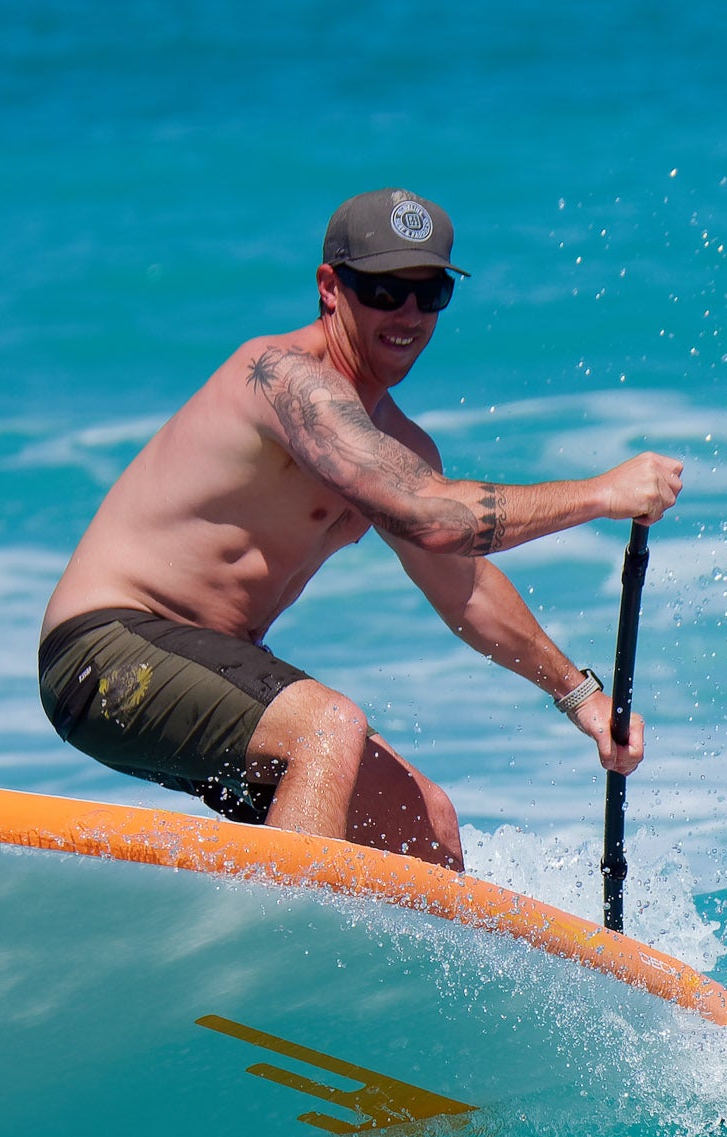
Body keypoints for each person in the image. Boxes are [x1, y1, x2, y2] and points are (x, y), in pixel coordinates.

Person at [38, 187, 682, 870]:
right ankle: (272, 950)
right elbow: (436, 519)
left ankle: (372, 974)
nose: (406, 314)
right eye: (381, 290)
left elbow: (464, 590)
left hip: (211, 667)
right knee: (326, 728)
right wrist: (603, 493)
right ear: (329, 287)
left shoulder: (399, 448)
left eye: (428, 293)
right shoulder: (285, 381)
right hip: (103, 654)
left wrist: (579, 696)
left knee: (424, 825)